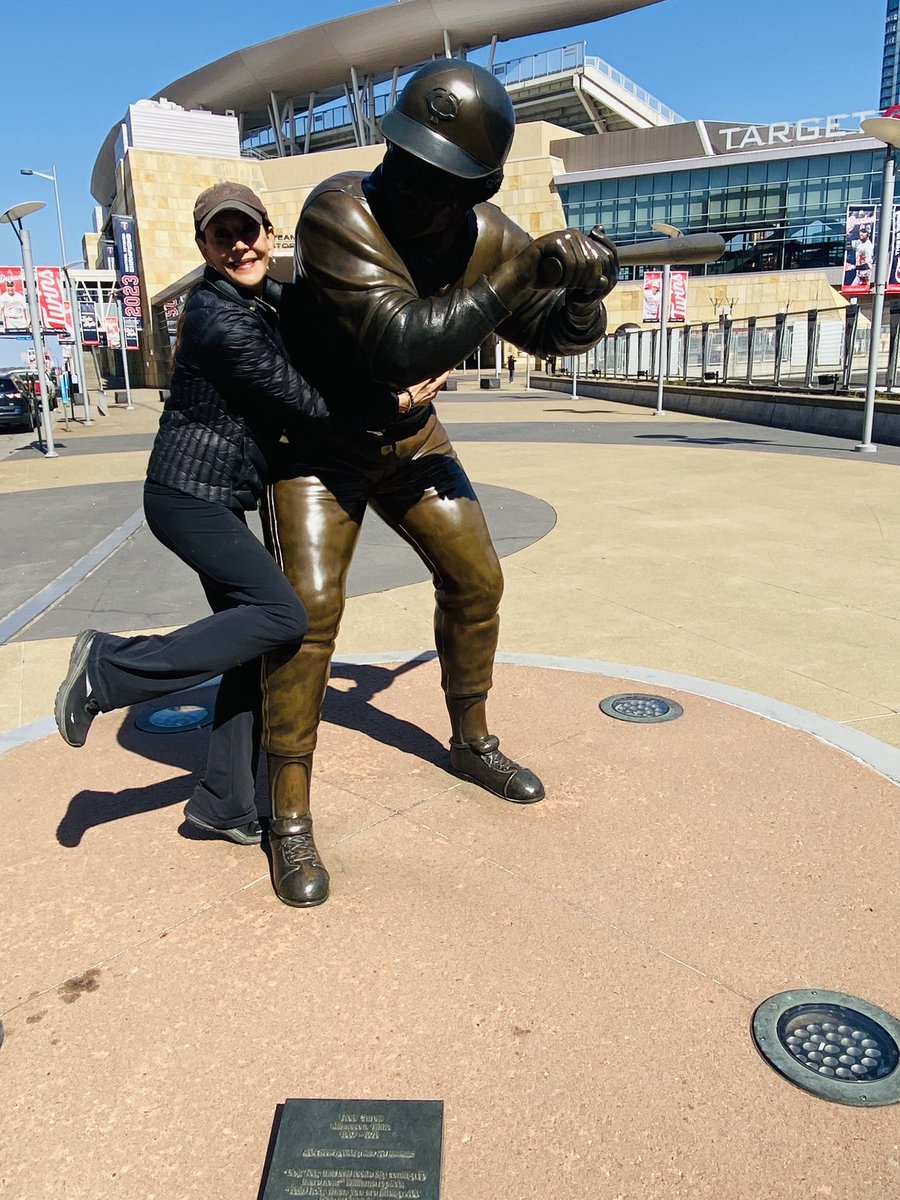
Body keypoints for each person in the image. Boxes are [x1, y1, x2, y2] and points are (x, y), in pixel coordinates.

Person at [262, 59, 617, 908]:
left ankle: (470, 740)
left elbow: (552, 341)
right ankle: (288, 812)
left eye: (439, 179)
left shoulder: (486, 235)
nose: (413, 186)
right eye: (408, 163)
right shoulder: (339, 209)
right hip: (320, 446)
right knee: (307, 618)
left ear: (474, 184)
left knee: (477, 578)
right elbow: (400, 342)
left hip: (411, 439)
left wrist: (582, 298)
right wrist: (524, 272)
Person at [54, 181, 440, 868]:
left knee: (246, 647)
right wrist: (396, 401)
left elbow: (326, 318)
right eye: (221, 236)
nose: (239, 245)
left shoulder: (262, 298)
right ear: (204, 248)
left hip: (216, 495)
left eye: (249, 231)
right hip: (187, 498)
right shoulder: (219, 318)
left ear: (270, 233)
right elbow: (307, 404)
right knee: (281, 618)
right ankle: (109, 668)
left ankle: (222, 804)